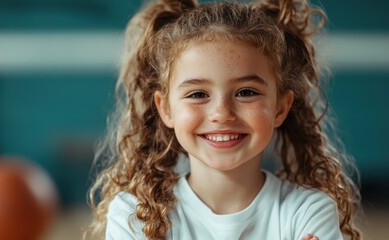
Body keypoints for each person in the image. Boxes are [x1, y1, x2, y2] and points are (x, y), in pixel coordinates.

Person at [84, 0, 362, 239]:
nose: (221, 113)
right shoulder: (134, 213)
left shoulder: (309, 211)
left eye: (246, 92)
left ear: (280, 107)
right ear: (165, 108)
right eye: (198, 94)